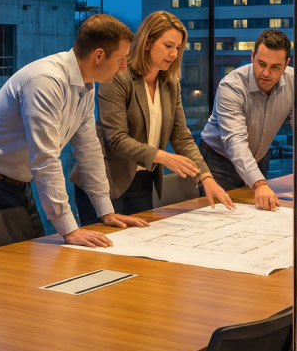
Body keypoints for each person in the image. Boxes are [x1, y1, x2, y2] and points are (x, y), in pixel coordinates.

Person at [0, 14, 148, 247]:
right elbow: (46, 159)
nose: (124, 68)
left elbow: (89, 149)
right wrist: (70, 229)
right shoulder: (45, 81)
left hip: (17, 182)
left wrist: (106, 211)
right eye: (121, 59)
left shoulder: (86, 84)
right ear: (99, 55)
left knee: (32, 258)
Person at [70, 11, 234, 223]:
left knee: (140, 240)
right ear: (147, 42)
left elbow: (181, 137)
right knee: (108, 242)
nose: (173, 54)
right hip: (105, 180)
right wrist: (162, 156)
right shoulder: (118, 77)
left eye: (178, 48)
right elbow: (116, 139)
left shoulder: (170, 83)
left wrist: (205, 176)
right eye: (168, 46)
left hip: (143, 180)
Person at [199, 29, 297, 210]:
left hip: (257, 159)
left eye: (275, 67)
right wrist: (259, 183)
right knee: (222, 217)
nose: (266, 73)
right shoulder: (231, 86)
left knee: (258, 215)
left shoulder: (295, 83)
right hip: (219, 162)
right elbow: (235, 141)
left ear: (286, 64)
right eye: (261, 64)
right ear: (252, 56)